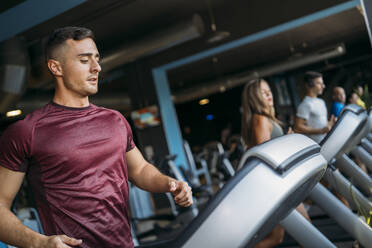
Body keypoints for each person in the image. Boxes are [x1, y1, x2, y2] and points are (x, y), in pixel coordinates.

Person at [0, 27, 193, 248]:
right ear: (56, 67)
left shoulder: (115, 121)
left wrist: (170, 183)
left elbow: (139, 170)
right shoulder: (27, 131)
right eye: (84, 60)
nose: (97, 68)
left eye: (97, 59)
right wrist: (40, 243)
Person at [241, 78, 310, 248]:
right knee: (305, 230)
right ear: (254, 98)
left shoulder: (267, 119)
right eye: (262, 92)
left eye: (269, 90)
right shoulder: (260, 120)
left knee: (277, 238)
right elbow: (266, 156)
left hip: (277, 185)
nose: (268, 94)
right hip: (272, 187)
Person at [294, 71, 335, 143]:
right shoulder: (305, 104)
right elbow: (298, 127)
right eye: (319, 83)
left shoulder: (321, 102)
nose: (323, 86)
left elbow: (321, 125)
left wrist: (330, 124)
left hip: (327, 141)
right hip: (317, 145)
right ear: (309, 85)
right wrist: (320, 131)